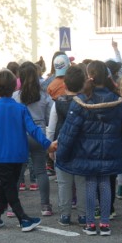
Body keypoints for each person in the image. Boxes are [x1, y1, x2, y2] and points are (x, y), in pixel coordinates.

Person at [56, 61, 122, 236]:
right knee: (105, 183)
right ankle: (105, 223)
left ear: (88, 77)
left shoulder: (81, 101)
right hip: (110, 151)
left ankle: (90, 223)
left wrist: (61, 154)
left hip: (86, 152)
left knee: (90, 184)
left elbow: (69, 131)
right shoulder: (116, 100)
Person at [0, 69, 57, 232]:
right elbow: (33, 129)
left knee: (7, 188)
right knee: (8, 188)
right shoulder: (20, 109)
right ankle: (22, 218)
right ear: (13, 87)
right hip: (18, 155)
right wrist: (47, 144)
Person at [47, 65, 87, 226]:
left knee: (64, 183)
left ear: (64, 85)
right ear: (83, 84)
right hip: (82, 147)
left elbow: (51, 127)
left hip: (61, 144)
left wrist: (50, 146)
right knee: (82, 182)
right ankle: (83, 215)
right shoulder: (86, 102)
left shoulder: (58, 103)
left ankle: (65, 215)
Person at [14, 62, 55, 216]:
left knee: (18, 172)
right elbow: (50, 117)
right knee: (41, 171)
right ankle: (45, 205)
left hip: (20, 135)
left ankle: (13, 206)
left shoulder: (15, 96)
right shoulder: (44, 96)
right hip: (39, 134)